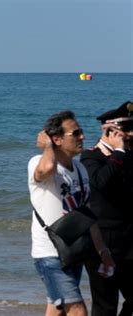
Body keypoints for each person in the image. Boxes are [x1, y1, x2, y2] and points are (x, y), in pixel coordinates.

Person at [28, 111, 115, 316]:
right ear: (57, 139)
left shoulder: (80, 169)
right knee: (77, 310)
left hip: (74, 251)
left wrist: (103, 251)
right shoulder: (37, 163)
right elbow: (47, 168)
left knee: (56, 309)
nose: (82, 137)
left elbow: (88, 215)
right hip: (50, 254)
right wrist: (47, 146)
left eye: (81, 132)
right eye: (75, 133)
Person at [80, 101, 133, 316]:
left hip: (130, 242)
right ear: (110, 131)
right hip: (104, 245)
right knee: (105, 305)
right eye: (127, 130)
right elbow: (101, 182)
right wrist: (119, 152)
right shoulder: (91, 156)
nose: (131, 134)